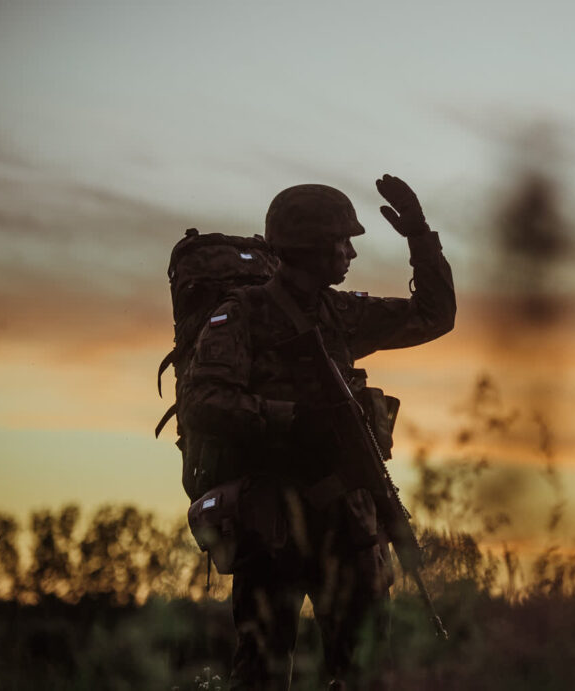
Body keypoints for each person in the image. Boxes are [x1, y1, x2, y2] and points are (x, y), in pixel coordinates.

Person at [181, 175, 456, 690]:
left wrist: (420, 235)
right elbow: (203, 402)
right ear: (309, 247)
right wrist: (288, 418)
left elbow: (434, 316)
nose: (351, 252)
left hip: (348, 524)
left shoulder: (341, 313)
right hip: (272, 524)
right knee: (262, 673)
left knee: (364, 672)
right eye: (341, 241)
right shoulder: (242, 316)